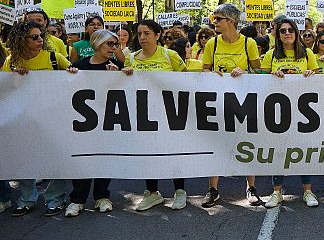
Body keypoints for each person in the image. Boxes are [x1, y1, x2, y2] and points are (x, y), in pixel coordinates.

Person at [3, 21, 75, 217]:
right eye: (34, 37)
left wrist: (72, 71)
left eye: (41, 36)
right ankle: (27, 199)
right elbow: (4, 90)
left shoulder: (54, 58)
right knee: (25, 159)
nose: (40, 40)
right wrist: (14, 75)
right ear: (21, 40)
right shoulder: (11, 62)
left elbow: (76, 78)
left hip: (53, 118)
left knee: (54, 158)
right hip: (23, 120)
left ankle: (55, 199)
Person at [121, 20, 189, 210]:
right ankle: (152, 193)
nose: (142, 37)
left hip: (169, 114)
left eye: (147, 33)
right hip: (144, 115)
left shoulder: (170, 55)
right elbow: (125, 86)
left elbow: (187, 81)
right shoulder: (131, 58)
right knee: (148, 153)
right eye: (139, 34)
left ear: (157, 35)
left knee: (173, 152)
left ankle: (180, 192)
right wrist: (124, 74)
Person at [201, 4, 262, 207]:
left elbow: (259, 72)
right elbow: (204, 71)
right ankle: (213, 190)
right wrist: (212, 74)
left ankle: (251, 188)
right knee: (215, 143)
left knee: (247, 143)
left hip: (244, 101)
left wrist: (245, 72)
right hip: (218, 102)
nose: (214, 22)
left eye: (218, 19)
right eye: (214, 18)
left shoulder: (248, 43)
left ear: (231, 21)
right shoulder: (212, 44)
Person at [260, 17, 320, 208]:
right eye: (283, 31)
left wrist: (312, 75)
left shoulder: (307, 53)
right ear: (277, 35)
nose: (287, 33)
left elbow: (319, 79)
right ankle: (276, 192)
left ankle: (308, 191)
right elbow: (260, 80)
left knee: (304, 149)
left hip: (304, 112)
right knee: (279, 151)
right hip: (278, 111)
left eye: (291, 30)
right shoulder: (271, 55)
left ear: (296, 32)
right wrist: (271, 75)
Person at [65, 30, 124, 217]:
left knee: (104, 158)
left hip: (108, 121)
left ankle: (102, 197)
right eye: (109, 44)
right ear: (97, 44)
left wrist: (119, 76)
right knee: (82, 159)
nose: (113, 48)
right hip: (84, 124)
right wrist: (70, 74)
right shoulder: (79, 66)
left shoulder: (117, 66)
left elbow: (125, 92)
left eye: (115, 44)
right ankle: (77, 200)